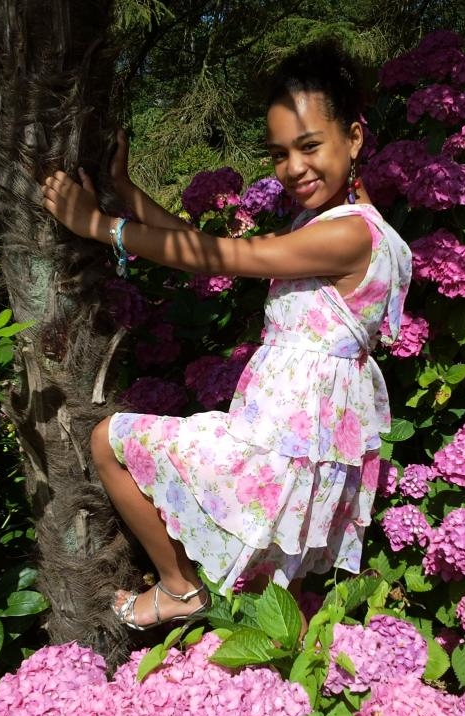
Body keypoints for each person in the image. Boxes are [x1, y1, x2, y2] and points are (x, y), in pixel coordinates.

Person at [41, 40, 412, 631]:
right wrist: (127, 192)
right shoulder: (335, 227)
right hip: (286, 443)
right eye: (279, 154)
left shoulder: (348, 236)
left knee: (109, 441)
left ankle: (179, 588)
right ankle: (238, 633)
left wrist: (99, 225)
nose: (294, 168)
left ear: (354, 137)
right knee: (263, 603)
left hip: (278, 449)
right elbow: (217, 252)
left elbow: (224, 256)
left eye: (310, 146)